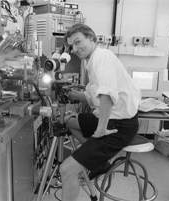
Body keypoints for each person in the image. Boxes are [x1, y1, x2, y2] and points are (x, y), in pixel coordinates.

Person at [59, 23, 141, 201]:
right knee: (69, 121)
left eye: (78, 41)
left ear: (91, 38)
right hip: (108, 118)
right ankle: (100, 161)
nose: (75, 48)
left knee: (66, 170)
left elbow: (107, 95)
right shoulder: (92, 61)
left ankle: (93, 156)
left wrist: (101, 130)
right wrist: (78, 95)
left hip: (118, 126)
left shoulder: (102, 57)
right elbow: (94, 95)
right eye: (72, 45)